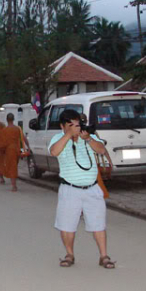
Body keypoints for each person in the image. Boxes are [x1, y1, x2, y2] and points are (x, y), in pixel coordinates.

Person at [49, 109, 115, 269]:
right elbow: (54, 151)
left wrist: (88, 139)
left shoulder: (88, 136)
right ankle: (69, 254)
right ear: (62, 126)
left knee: (98, 223)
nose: (75, 128)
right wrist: (68, 135)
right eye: (70, 125)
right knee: (67, 224)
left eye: (77, 124)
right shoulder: (58, 138)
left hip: (92, 188)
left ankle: (104, 256)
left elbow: (101, 149)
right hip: (70, 188)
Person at [0, 112, 30, 192]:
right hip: (16, 149)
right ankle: (13, 183)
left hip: (9, 150)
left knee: (12, 167)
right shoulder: (17, 128)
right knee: (14, 166)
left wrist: (1, 150)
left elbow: (2, 142)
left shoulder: (4, 130)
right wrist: (28, 147)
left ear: (7, 120)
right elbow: (23, 138)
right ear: (13, 119)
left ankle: (14, 186)